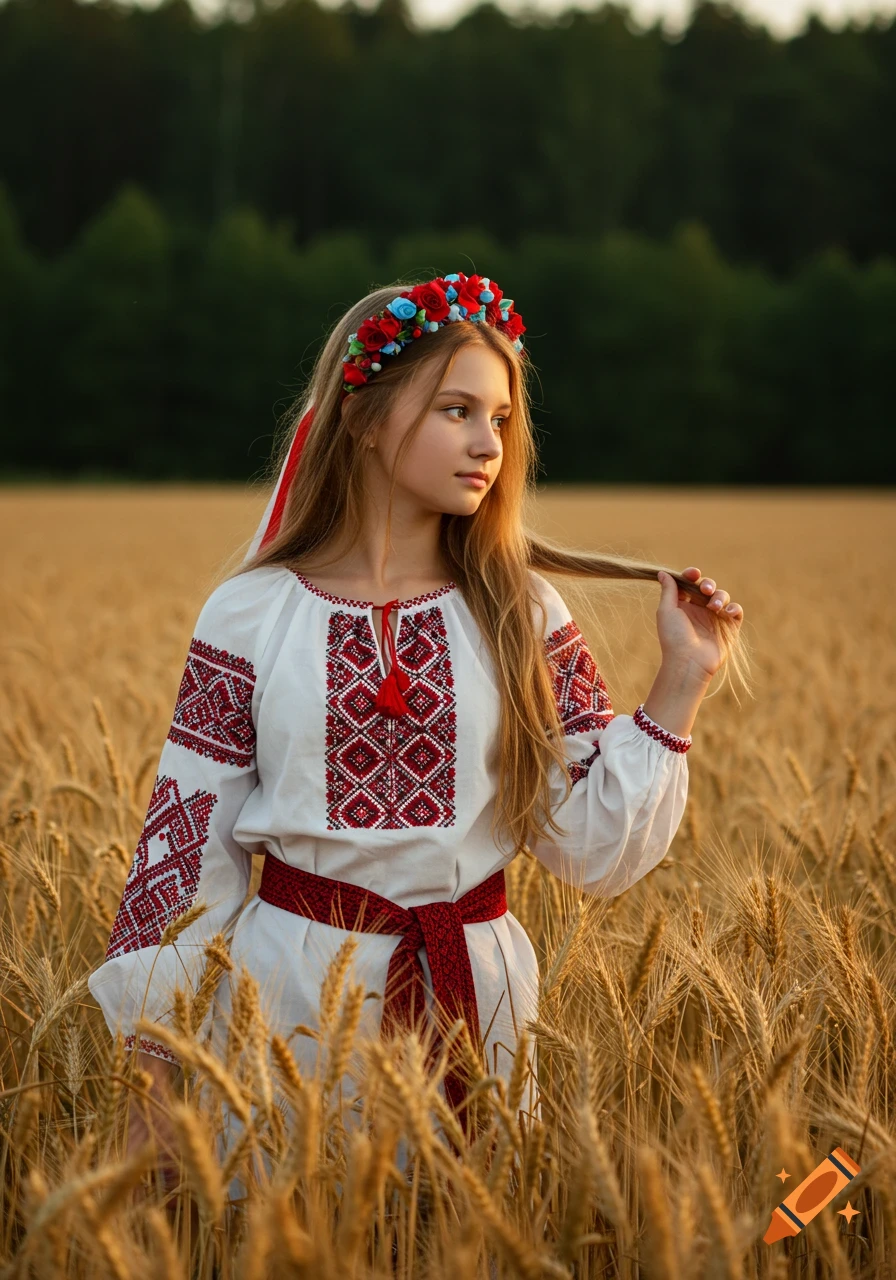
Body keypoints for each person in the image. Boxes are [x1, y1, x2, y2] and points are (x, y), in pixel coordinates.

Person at [87, 270, 747, 1190]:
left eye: (503, 419)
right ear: (362, 418)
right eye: (457, 410)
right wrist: (155, 1083)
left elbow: (595, 850)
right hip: (287, 1009)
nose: (489, 444)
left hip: (476, 1000)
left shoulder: (523, 610)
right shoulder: (248, 615)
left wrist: (683, 678)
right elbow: (184, 860)